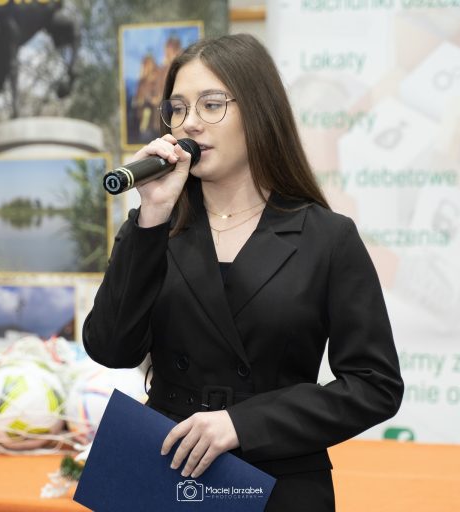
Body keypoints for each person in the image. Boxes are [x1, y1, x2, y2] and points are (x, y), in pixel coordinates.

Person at [83, 33, 403, 512]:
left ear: (258, 112)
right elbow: (110, 347)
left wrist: (242, 423)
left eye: (211, 105)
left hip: (275, 480)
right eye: (177, 108)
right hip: (165, 470)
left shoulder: (326, 236)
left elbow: (374, 384)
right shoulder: (155, 226)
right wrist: (151, 217)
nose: (190, 122)